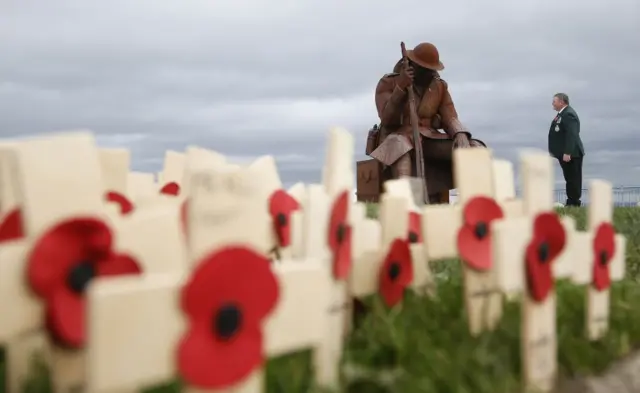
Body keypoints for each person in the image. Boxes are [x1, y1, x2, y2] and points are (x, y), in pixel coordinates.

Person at [368, 42, 486, 204]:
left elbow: (449, 116)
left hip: (429, 139)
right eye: (425, 70)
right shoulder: (388, 83)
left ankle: (476, 204)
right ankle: (407, 204)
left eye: (432, 70)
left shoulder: (439, 87)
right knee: (399, 145)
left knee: (475, 148)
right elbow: (387, 119)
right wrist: (401, 89)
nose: (430, 74)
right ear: (413, 66)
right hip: (396, 138)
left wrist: (460, 133)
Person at [548, 93, 585, 207]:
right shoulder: (561, 114)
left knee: (573, 178)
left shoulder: (568, 114)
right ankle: (571, 201)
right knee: (569, 178)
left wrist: (567, 152)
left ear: (562, 102)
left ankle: (574, 202)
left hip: (572, 153)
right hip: (565, 153)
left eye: (554, 101)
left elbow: (572, 134)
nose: (552, 104)